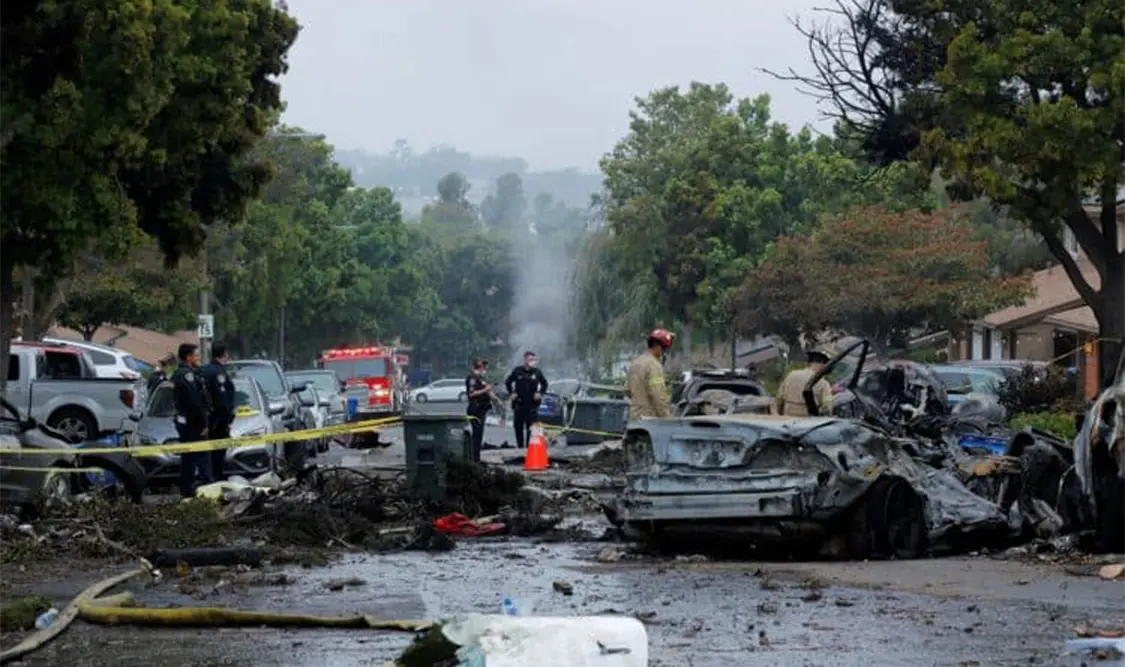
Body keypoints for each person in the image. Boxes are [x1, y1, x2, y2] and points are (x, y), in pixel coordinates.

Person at [172, 343, 212, 498]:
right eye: (196, 355)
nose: (198, 358)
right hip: (193, 424)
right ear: (188, 357)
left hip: (186, 423)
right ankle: (207, 490)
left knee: (188, 459)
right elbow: (194, 402)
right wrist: (203, 424)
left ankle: (187, 490)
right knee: (202, 458)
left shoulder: (183, 373)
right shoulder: (186, 375)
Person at [201, 343, 236, 482]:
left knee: (208, 454)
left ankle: (210, 477)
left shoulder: (205, 370)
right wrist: (227, 418)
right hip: (217, 421)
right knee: (217, 454)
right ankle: (216, 479)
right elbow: (221, 399)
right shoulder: (218, 372)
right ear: (225, 354)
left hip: (207, 419)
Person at [626, 329, 674, 420]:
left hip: (634, 418)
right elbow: (658, 396)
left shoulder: (636, 362)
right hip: (650, 420)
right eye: (664, 348)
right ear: (657, 346)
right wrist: (668, 419)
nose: (664, 352)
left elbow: (627, 389)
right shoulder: (655, 366)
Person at [504, 351, 548, 449]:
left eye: (533, 360)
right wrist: (511, 393)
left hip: (532, 405)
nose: (532, 361)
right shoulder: (517, 371)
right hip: (519, 404)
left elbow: (545, 383)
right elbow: (508, 382)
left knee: (531, 429)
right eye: (530, 359)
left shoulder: (537, 372)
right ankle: (520, 447)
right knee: (518, 427)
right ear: (525, 359)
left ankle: (529, 449)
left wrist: (540, 393)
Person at [776, 346, 835, 417]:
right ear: (823, 364)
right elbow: (828, 408)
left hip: (788, 422)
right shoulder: (824, 384)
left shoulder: (791, 375)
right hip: (809, 424)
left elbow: (779, 399)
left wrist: (780, 414)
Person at [465, 358, 492, 459]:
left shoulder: (481, 378)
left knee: (480, 434)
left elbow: (486, 390)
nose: (484, 370)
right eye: (483, 368)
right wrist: (485, 389)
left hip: (482, 408)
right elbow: (472, 394)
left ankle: (477, 456)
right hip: (475, 408)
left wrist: (496, 399)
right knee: (476, 433)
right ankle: (473, 457)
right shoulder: (472, 378)